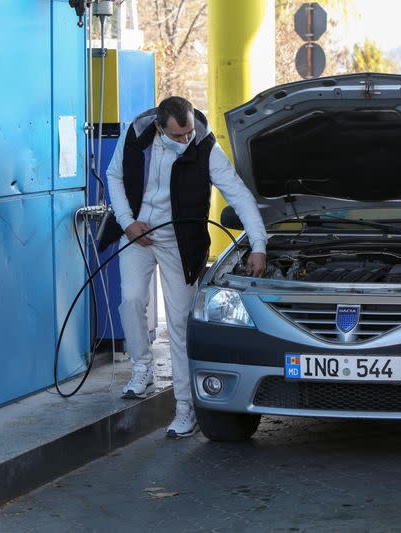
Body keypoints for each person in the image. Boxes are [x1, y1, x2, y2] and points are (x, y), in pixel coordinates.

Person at [102, 96, 267, 438]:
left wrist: (259, 245)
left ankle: (185, 408)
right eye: (177, 135)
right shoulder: (136, 135)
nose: (185, 140)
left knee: (179, 323)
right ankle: (142, 368)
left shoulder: (204, 145)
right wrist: (127, 222)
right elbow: (114, 175)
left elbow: (237, 193)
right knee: (131, 300)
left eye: (189, 131)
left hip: (180, 243)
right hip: (137, 233)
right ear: (160, 128)